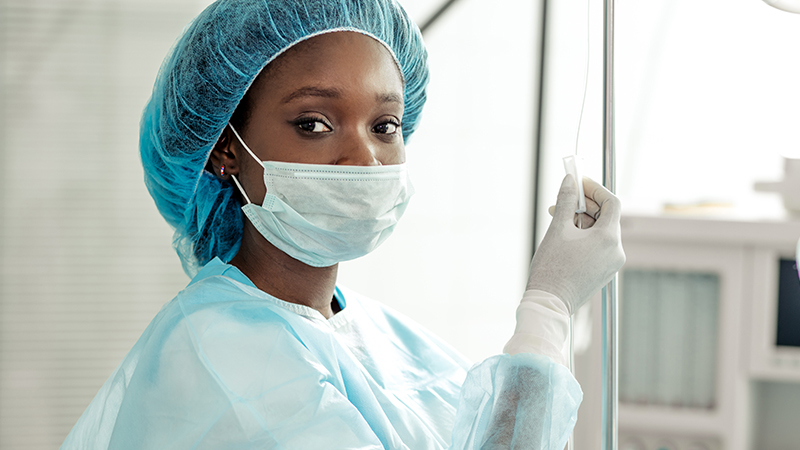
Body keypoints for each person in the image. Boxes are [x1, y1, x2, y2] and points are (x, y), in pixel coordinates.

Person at [60, 0, 625, 449]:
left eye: (384, 125)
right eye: (313, 123)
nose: (363, 159)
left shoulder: (374, 333)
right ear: (225, 151)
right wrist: (549, 308)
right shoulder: (218, 351)